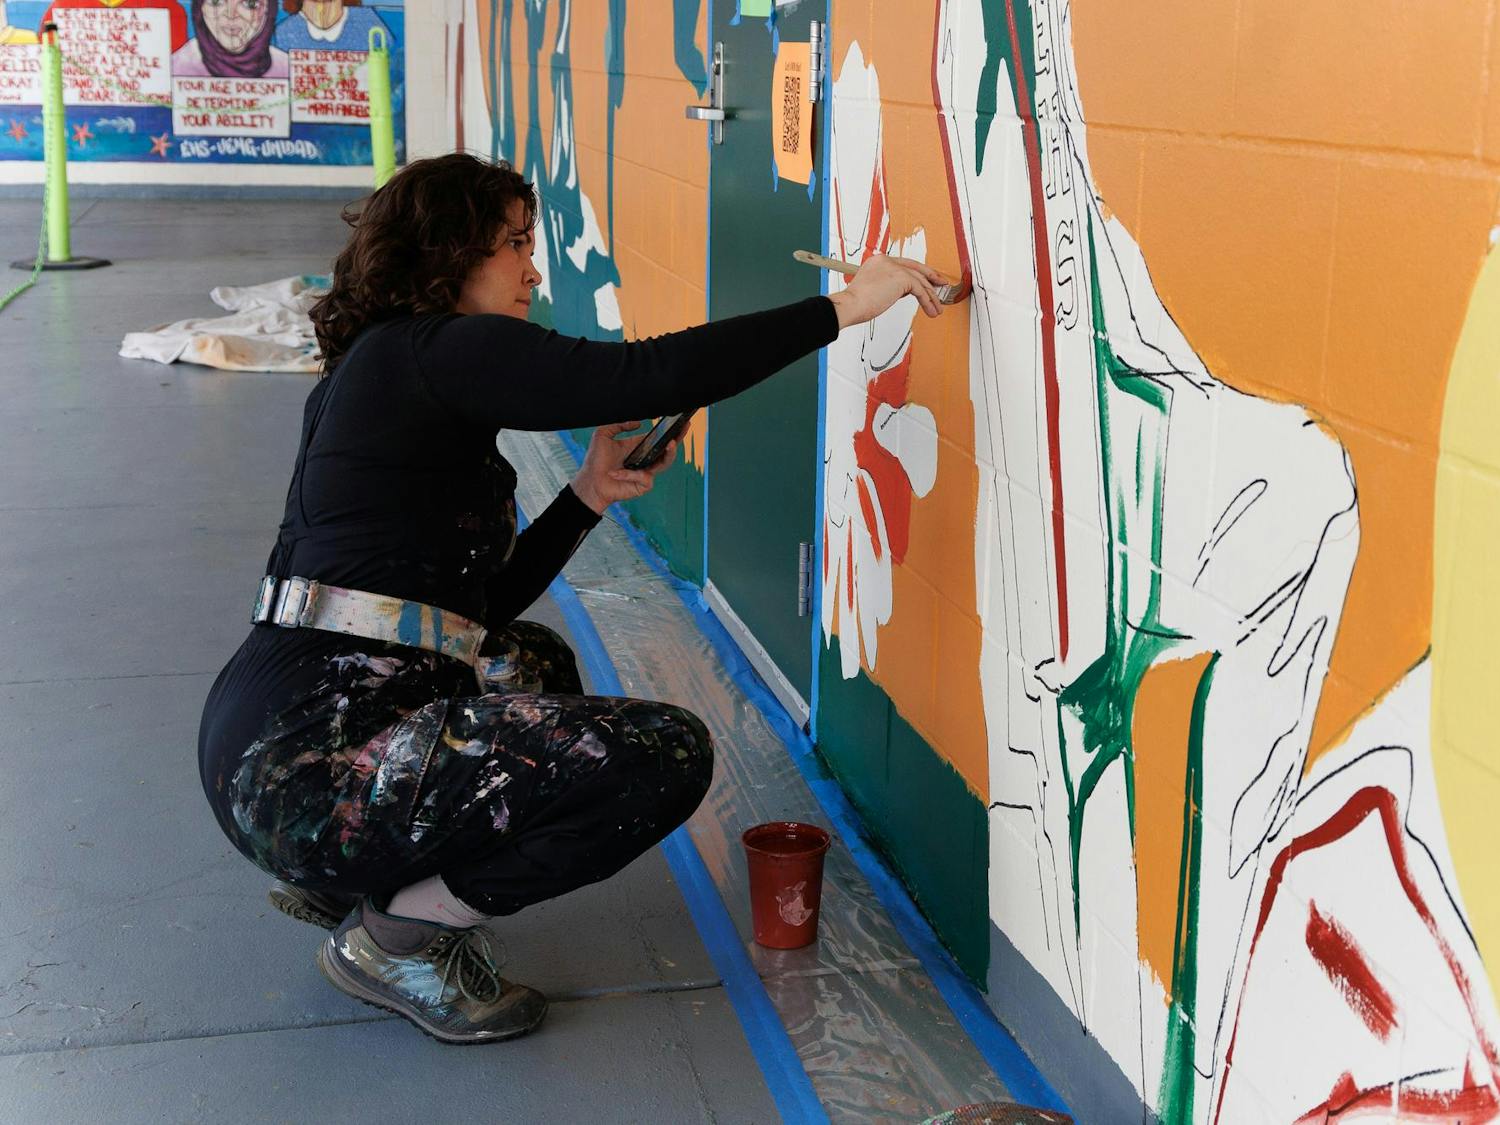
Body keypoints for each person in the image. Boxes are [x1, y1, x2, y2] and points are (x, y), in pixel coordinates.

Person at [197, 151, 947, 1045]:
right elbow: (647, 374)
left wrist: (588, 494)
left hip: (271, 746)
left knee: (530, 657)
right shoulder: (438, 347)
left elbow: (477, 613)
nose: (533, 266)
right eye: (514, 243)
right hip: (308, 765)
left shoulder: (391, 366)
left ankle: (356, 872)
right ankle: (394, 936)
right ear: (449, 251)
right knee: (665, 756)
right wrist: (843, 309)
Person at [172, 0, 288, 79]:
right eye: (216, 2)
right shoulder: (177, 67)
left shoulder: (287, 69)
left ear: (268, 11)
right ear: (200, 8)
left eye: (250, 3)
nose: (231, 15)